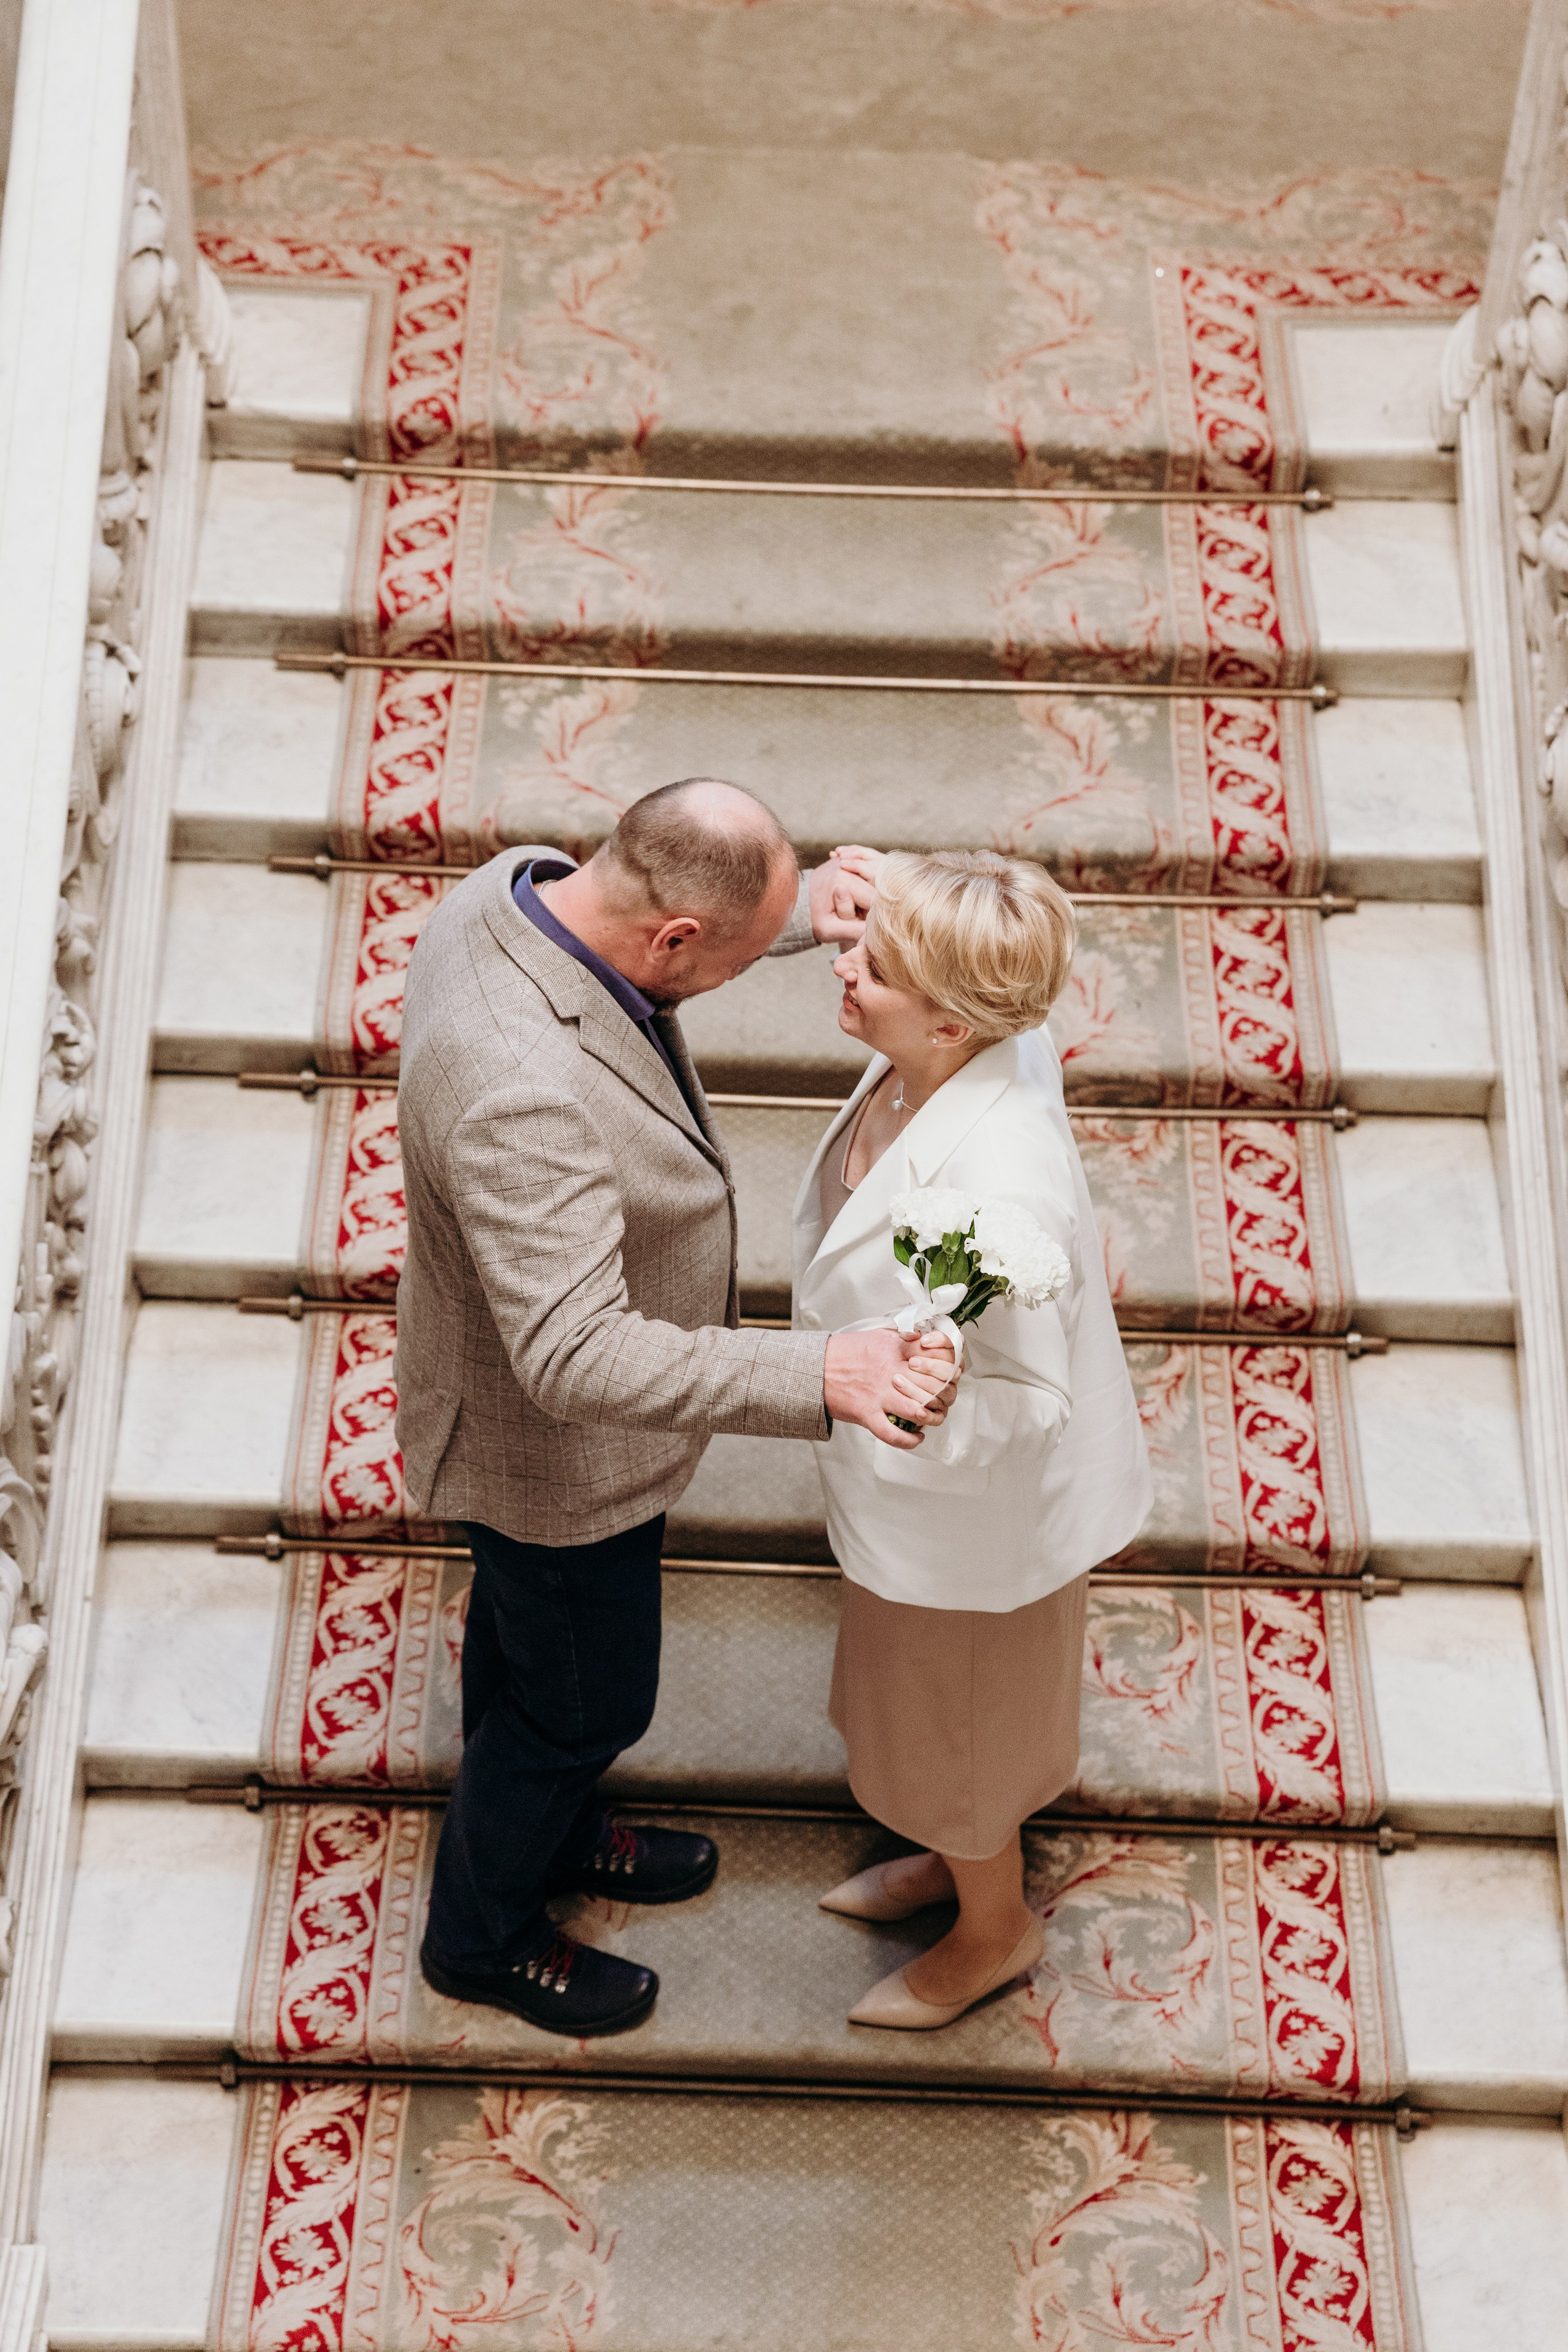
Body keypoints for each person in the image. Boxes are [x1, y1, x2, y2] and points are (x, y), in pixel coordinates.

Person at [396, 780, 957, 2038]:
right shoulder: (520, 1090)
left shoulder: (513, 890)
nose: (752, 971)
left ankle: (554, 1826)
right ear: (675, 936)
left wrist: (799, 911)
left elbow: (659, 942)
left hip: (500, 1387)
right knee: (583, 1706)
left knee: (527, 1656)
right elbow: (573, 1357)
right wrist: (822, 1373)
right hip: (549, 1451)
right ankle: (481, 1939)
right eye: (741, 958)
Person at [791, 847, 1152, 2030]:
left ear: (951, 1023)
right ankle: (949, 1855)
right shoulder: (978, 1028)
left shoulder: (1005, 1189)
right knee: (916, 1717)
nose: (844, 965)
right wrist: (908, 891)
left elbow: (1031, 1402)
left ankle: (994, 1929)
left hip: (976, 1533)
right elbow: (992, 947)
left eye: (875, 964)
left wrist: (932, 1399)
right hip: (903, 1506)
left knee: (961, 1735)